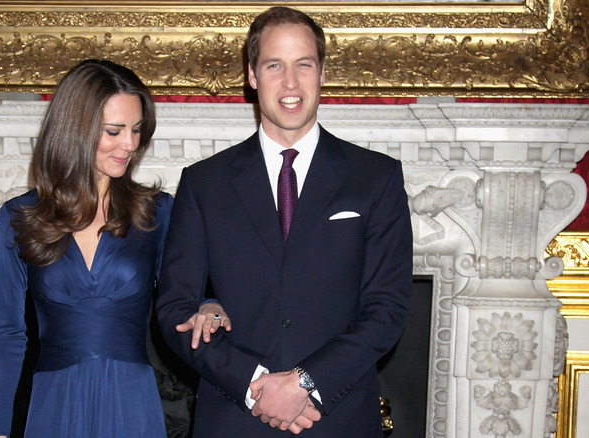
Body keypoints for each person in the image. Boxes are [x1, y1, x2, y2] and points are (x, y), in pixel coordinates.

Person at [156, 6, 413, 437]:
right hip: (233, 418)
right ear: (252, 75)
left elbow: (387, 310)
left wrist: (305, 384)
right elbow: (175, 309)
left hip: (339, 418)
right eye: (275, 65)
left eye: (303, 65)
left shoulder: (376, 178)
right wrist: (254, 385)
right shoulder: (204, 183)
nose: (290, 83)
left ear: (322, 73)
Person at [0, 59, 230, 438]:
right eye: (114, 131)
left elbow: (189, 292)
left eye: (136, 130)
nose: (129, 145)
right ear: (75, 130)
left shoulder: (157, 212)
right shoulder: (19, 218)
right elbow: (7, 336)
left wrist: (209, 304)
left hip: (132, 400)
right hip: (53, 402)